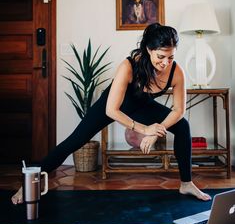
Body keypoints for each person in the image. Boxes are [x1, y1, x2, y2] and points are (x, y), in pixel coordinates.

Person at [12, 23, 211, 204]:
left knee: (183, 125)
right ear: (149, 50)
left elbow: (179, 110)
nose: (166, 62)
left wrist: (156, 130)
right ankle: (28, 183)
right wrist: (144, 129)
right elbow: (111, 110)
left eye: (171, 57)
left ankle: (186, 183)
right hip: (112, 105)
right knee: (73, 141)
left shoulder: (177, 72)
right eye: (161, 56)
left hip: (141, 105)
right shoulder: (129, 66)